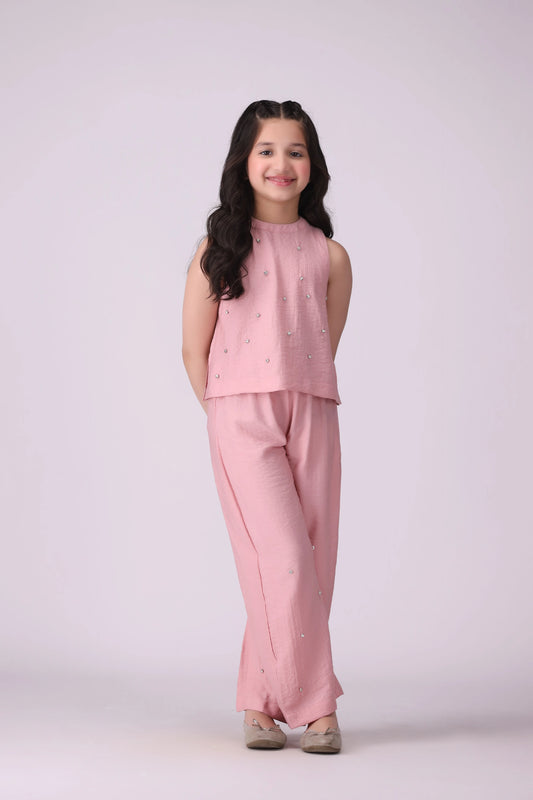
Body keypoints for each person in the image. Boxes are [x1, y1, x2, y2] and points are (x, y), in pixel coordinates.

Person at [182, 99, 352, 753]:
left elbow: (321, 343)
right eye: (267, 150)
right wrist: (226, 417)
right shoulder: (218, 250)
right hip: (239, 413)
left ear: (312, 164)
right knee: (281, 558)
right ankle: (317, 707)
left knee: (309, 561)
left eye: (295, 151)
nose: (282, 163)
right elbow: (193, 349)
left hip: (312, 409)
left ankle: (259, 701)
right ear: (244, 162)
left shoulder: (330, 256)